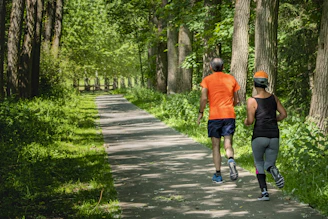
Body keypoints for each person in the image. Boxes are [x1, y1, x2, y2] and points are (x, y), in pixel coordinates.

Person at [244, 71, 287, 201]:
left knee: (258, 163)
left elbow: (250, 121)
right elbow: (284, 114)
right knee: (269, 163)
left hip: (259, 136)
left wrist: (245, 122)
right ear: (266, 84)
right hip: (274, 136)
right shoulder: (274, 98)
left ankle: (264, 193)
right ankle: (271, 168)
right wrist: (273, 120)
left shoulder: (252, 100)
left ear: (255, 83)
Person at [197, 58, 240, 183]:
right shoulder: (231, 79)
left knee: (216, 146)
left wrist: (201, 112)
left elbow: (204, 98)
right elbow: (236, 100)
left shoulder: (207, 80)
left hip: (214, 117)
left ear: (211, 67)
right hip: (229, 116)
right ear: (223, 67)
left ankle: (218, 174)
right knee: (228, 144)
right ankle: (231, 159)